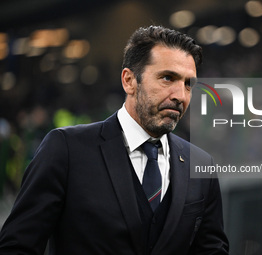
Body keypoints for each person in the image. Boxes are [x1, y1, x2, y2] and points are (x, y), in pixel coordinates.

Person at [0, 25, 229, 254]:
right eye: (168, 78)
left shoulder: (201, 165)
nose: (181, 95)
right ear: (129, 81)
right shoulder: (66, 150)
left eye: (188, 84)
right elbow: (17, 247)